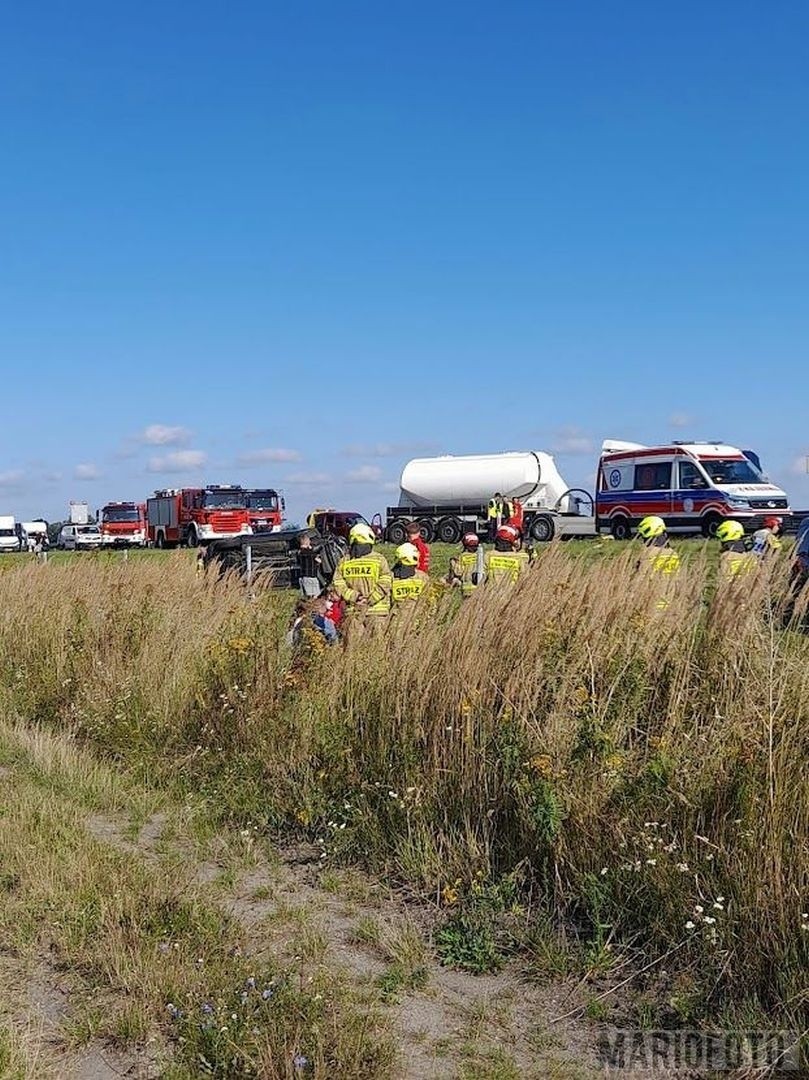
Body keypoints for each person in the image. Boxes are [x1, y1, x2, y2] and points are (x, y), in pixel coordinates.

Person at [331, 522, 392, 639]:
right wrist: (371, 598)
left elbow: (338, 585)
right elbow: (386, 581)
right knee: (377, 651)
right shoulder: (379, 559)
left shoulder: (344, 561)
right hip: (377, 612)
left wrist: (355, 597)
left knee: (353, 651)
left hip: (354, 612)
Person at [636, 516, 680, 609]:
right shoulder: (673, 554)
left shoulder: (646, 554)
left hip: (650, 605)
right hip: (670, 604)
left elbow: (639, 581)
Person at [390, 542, 430, 622]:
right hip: (417, 622)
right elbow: (429, 602)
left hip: (396, 624)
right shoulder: (423, 577)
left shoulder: (391, 577)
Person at [297, 533, 322, 598]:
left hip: (303, 576)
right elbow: (318, 560)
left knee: (307, 596)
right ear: (307, 541)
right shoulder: (309, 552)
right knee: (315, 596)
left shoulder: (299, 553)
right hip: (311, 577)